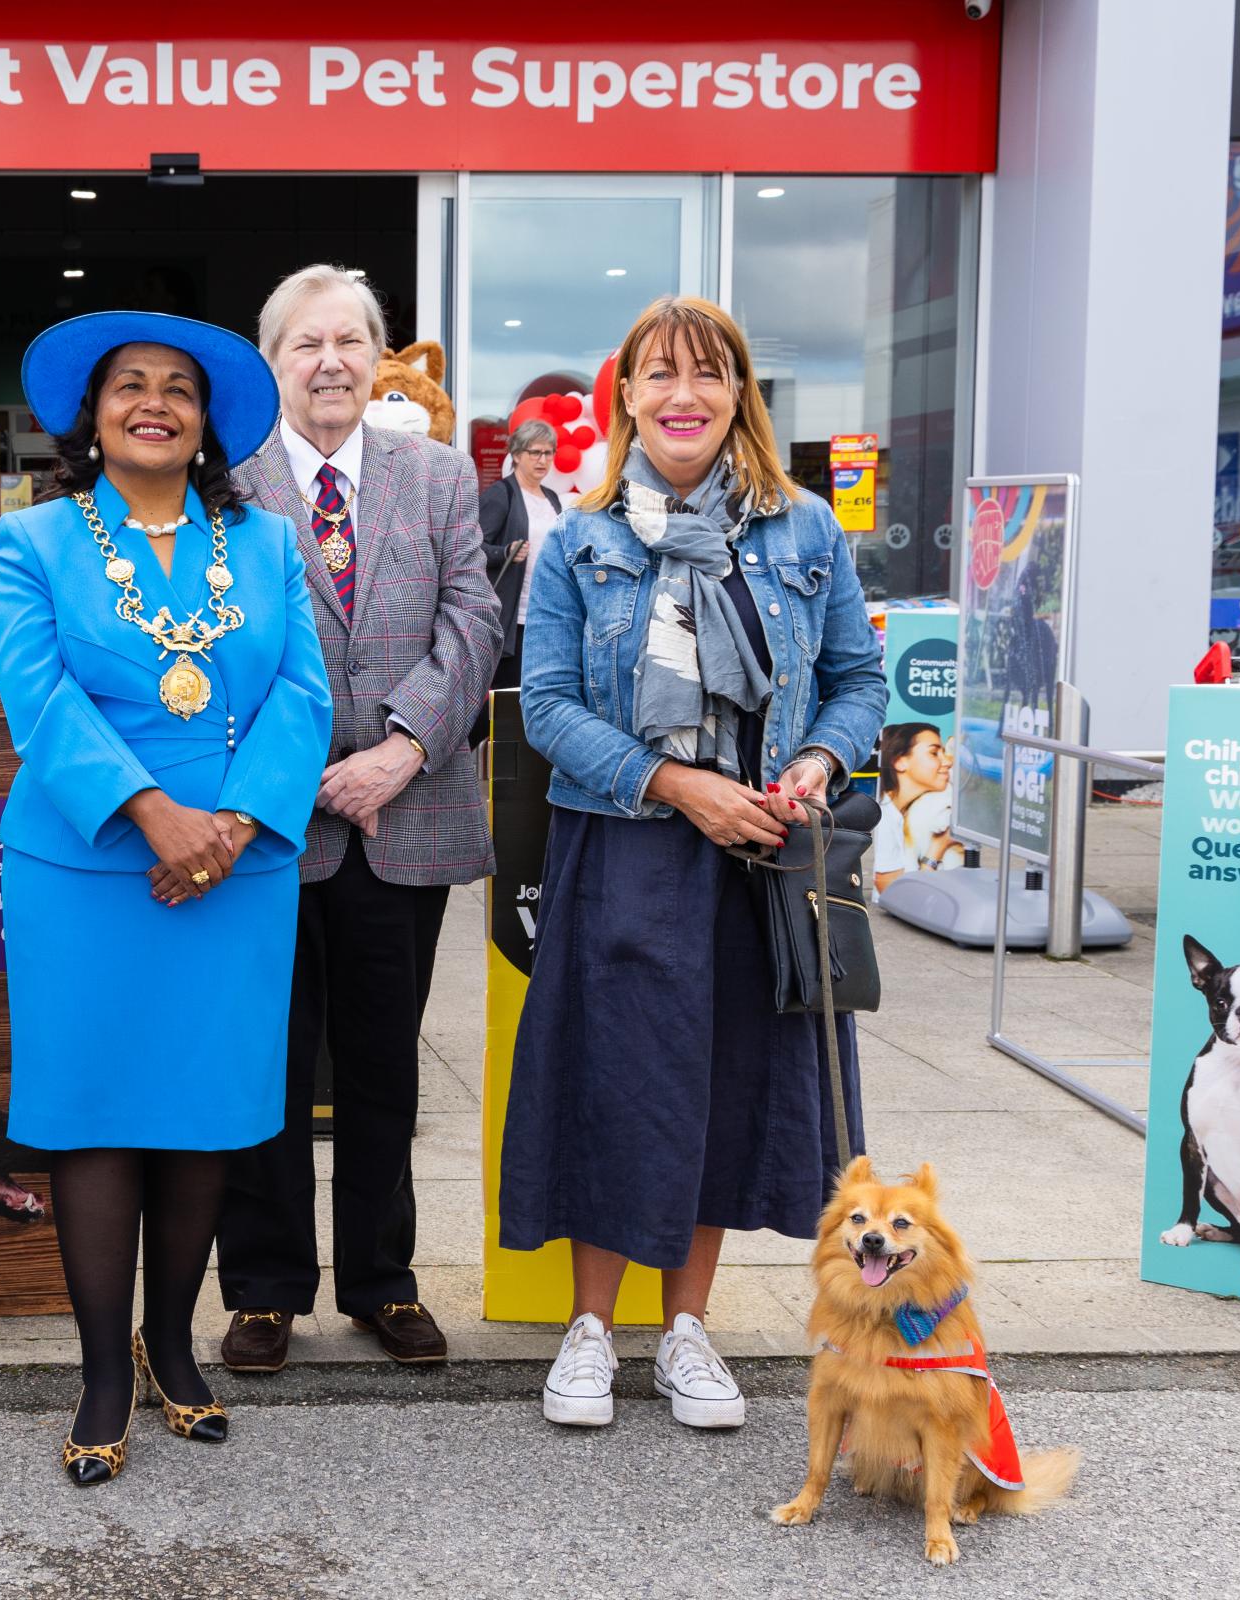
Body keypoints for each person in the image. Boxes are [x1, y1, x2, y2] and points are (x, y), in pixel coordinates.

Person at [501, 294, 886, 1433]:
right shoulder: (581, 540)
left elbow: (861, 681)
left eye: (707, 375)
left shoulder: (807, 530)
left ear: (738, 396)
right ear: (624, 396)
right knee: (615, 1085)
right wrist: (676, 784)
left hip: (759, 860)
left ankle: (685, 1332)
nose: (684, 395)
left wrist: (818, 755)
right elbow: (549, 708)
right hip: (624, 850)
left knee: (722, 1090)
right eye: (659, 375)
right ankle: (588, 1332)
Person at [0, 311, 332, 1484]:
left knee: (202, 1118)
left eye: (179, 388)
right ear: (92, 418)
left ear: (206, 423)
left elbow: (302, 690)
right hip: (88, 867)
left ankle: (172, 1350)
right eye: (129, 386)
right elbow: (35, 696)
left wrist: (235, 822)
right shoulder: (35, 540)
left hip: (239, 870)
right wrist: (154, 812)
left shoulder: (271, 544)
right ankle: (100, 1372)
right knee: (93, 1117)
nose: (155, 402)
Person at [217, 265, 502, 1373]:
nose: (329, 361)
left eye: (349, 341)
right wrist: (293, 775)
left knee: (386, 1066)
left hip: (406, 812)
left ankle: (383, 1279)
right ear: (272, 361)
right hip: (272, 829)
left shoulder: (435, 477)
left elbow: (476, 619)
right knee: (270, 1066)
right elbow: (219, 651)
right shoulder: (228, 489)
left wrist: (405, 747)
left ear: (380, 358)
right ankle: (266, 1287)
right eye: (305, 343)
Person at [481, 417, 565, 689]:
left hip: (546, 614)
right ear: (516, 455)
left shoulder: (552, 497)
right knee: (507, 694)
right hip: (512, 618)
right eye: (535, 452)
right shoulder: (501, 493)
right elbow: (472, 548)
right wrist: (505, 552)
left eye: (548, 453)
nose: (543, 460)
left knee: (539, 689)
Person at [873, 721, 961, 891]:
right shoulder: (886, 815)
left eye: (943, 752)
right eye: (934, 753)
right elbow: (894, 894)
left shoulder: (935, 801)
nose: (947, 762)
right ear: (899, 762)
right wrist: (936, 850)